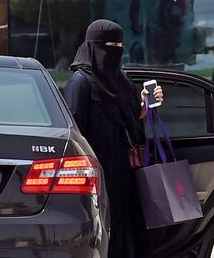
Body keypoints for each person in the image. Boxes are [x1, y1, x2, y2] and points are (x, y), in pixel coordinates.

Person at [63, 19, 163, 258]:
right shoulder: (80, 83)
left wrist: (146, 106)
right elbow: (74, 135)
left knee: (128, 233)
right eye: (110, 45)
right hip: (98, 175)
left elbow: (131, 123)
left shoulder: (121, 80)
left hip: (126, 173)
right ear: (94, 46)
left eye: (120, 45)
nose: (115, 51)